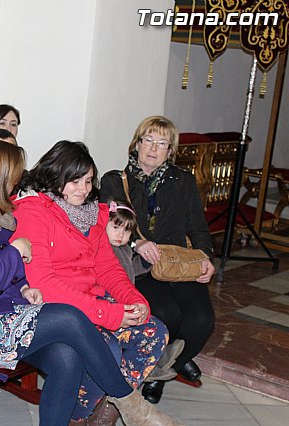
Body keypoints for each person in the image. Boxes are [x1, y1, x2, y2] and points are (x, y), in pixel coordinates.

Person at [0, 138, 181, 426]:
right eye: (10, 181)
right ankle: (131, 405)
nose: (13, 189)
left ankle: (118, 407)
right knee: (68, 318)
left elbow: (2, 267)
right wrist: (15, 253)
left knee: (67, 357)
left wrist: (23, 287)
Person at [11, 141, 168, 423]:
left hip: (91, 301)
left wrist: (133, 301)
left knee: (154, 332)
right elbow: (44, 283)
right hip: (55, 309)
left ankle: (104, 415)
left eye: (87, 181)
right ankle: (78, 416)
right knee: (106, 347)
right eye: (74, 181)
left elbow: (108, 268)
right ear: (54, 176)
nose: (83, 190)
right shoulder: (33, 210)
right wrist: (110, 314)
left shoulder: (94, 212)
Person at [100, 115, 216, 404]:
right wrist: (137, 242)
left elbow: (198, 226)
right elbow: (111, 222)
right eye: (148, 140)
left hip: (176, 264)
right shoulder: (115, 180)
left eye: (161, 143)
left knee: (202, 321)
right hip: (140, 267)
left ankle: (168, 365)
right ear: (136, 144)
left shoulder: (183, 181)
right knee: (168, 315)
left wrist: (206, 257)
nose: (153, 148)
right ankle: (160, 373)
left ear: (170, 150)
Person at [106, 198, 185, 386]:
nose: (120, 235)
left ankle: (154, 363)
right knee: (135, 326)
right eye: (116, 228)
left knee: (148, 323)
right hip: (110, 301)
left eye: (126, 231)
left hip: (125, 297)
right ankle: (153, 364)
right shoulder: (103, 247)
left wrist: (147, 262)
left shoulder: (123, 249)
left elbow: (132, 269)